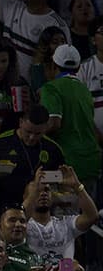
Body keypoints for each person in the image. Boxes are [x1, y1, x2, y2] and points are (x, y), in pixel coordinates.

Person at [40, 45, 102, 194]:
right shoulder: (85, 90)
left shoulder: (51, 88)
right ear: (78, 67)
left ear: (54, 65)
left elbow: (54, 123)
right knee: (89, 208)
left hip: (66, 166)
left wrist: (33, 133)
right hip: (91, 164)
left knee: (64, 210)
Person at [0, 105, 66, 209]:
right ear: (21, 122)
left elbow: (61, 178)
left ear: (46, 127)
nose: (32, 137)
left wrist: (43, 177)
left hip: (40, 207)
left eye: (38, 133)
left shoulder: (53, 149)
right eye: (28, 132)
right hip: (4, 204)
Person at [22, 168, 100, 263]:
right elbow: (19, 217)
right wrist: (34, 189)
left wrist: (77, 186)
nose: (43, 194)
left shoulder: (65, 223)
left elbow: (91, 217)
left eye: (46, 190)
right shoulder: (22, 226)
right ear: (25, 197)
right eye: (37, 191)